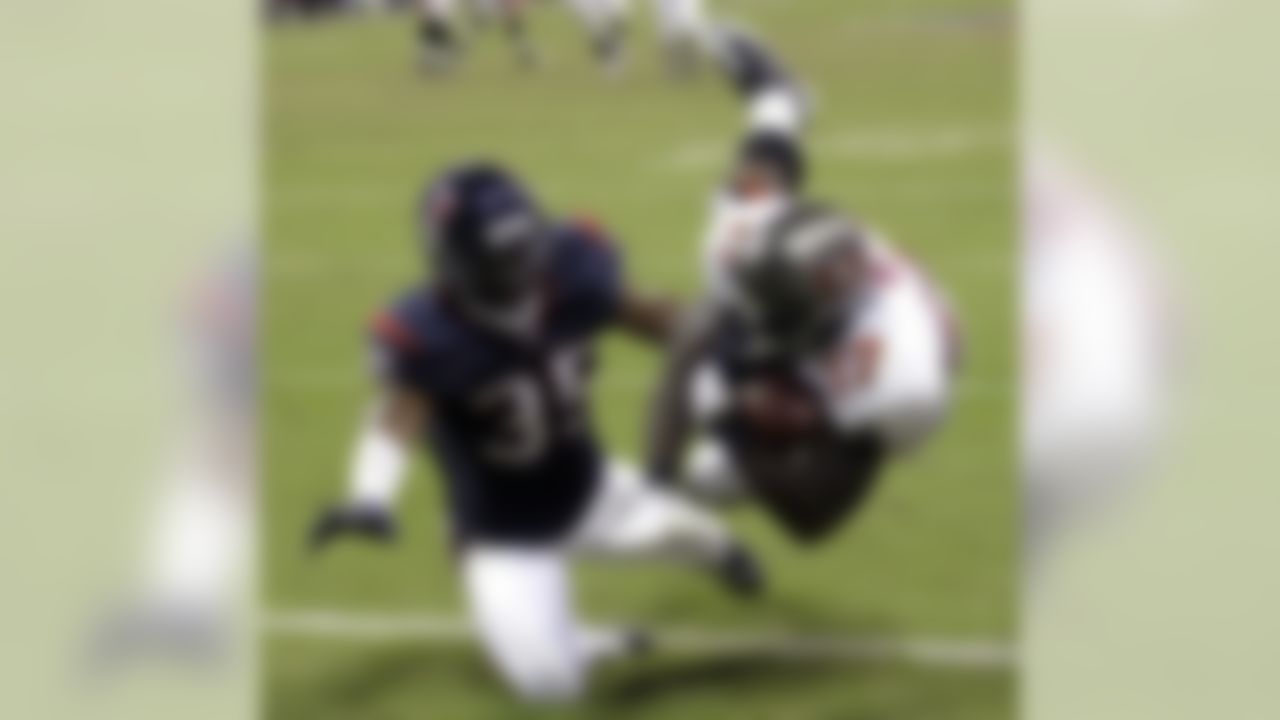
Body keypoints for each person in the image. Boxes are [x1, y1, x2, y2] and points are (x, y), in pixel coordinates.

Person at [309, 163, 762, 701]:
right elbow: (400, 412)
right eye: (498, 261)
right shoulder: (430, 333)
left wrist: (728, 349)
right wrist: (371, 495)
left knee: (702, 539)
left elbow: (645, 315)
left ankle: (719, 554)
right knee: (551, 687)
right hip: (503, 532)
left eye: (523, 250)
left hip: (590, 489)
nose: (518, 269)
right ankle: (584, 642)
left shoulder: (571, 272)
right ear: (452, 264)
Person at [644, 30, 960, 542]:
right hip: (823, 314)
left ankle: (728, 452)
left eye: (766, 316)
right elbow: (766, 166)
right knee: (705, 331)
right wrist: (772, 104)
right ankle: (782, 96)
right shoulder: (750, 232)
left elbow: (816, 514)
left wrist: (734, 421)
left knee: (712, 473)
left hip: (893, 362)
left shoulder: (898, 381)